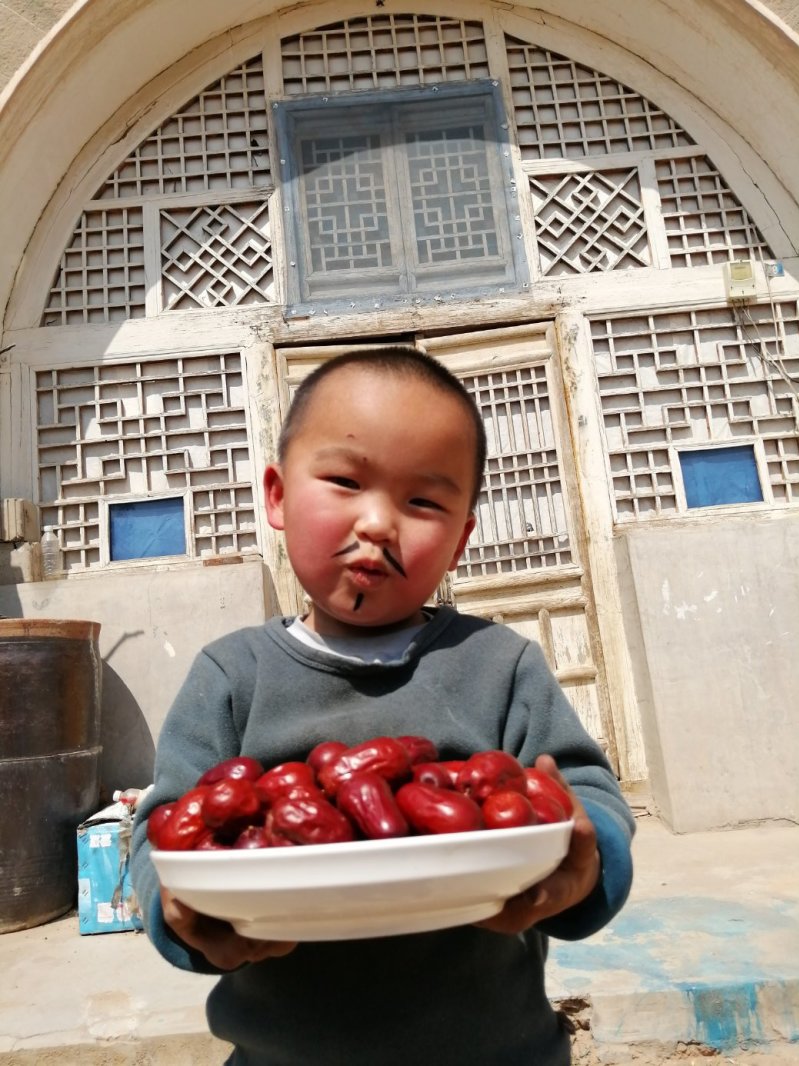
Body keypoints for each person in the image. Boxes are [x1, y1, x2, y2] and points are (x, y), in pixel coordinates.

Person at [130, 345, 635, 1066]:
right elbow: (165, 829)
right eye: (342, 481)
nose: (376, 524)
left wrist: (587, 865)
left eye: (423, 501)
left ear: (461, 538)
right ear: (275, 495)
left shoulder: (499, 666)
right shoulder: (231, 676)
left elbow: (589, 798)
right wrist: (181, 916)